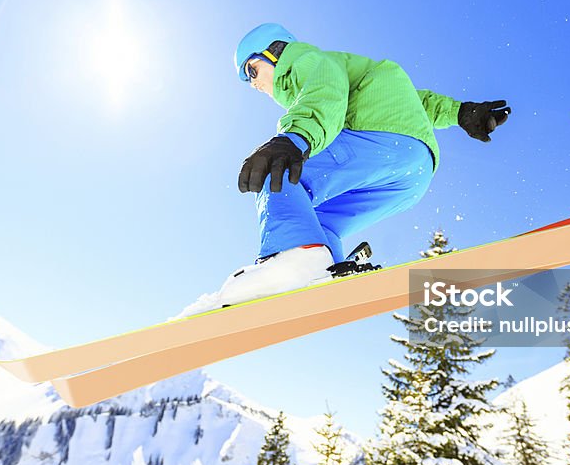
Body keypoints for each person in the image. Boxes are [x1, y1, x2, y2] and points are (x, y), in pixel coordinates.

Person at [216, 22, 510, 307]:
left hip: (379, 144)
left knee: (277, 171)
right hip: (413, 171)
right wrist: (460, 113)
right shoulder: (362, 75)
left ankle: (287, 260)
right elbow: (413, 102)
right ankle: (318, 267)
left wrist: (293, 139)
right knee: (313, 221)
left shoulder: (307, 61)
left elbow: (325, 91)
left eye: (250, 70)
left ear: (275, 52)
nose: (251, 82)